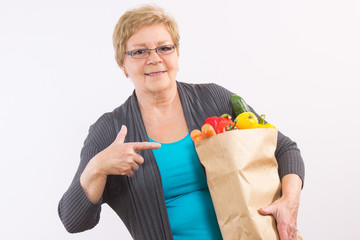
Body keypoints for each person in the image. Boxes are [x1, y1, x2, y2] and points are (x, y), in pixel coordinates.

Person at [58, 5, 305, 240]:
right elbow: (73, 221)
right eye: (139, 51)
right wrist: (97, 167)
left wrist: (289, 203)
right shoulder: (109, 131)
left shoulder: (214, 98)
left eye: (164, 48)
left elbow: (283, 149)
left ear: (177, 53)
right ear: (123, 64)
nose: (154, 58)